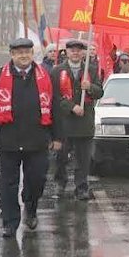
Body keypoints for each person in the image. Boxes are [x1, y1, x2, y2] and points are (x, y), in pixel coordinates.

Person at [0, 38, 62, 238]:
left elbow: (55, 107)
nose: (24, 56)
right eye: (19, 52)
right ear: (12, 55)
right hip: (9, 141)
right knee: (8, 183)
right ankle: (10, 222)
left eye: (27, 52)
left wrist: (57, 137)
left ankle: (30, 209)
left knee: (36, 180)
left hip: (38, 140)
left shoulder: (46, 76)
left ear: (33, 54)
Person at [51, 39, 104, 201]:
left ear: (83, 53)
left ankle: (81, 187)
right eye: (72, 50)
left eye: (78, 50)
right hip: (64, 123)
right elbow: (54, 97)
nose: (75, 53)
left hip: (84, 124)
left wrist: (90, 88)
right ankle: (61, 183)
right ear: (66, 52)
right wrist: (72, 107)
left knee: (83, 159)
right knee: (61, 158)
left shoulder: (92, 70)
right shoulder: (56, 71)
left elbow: (100, 92)